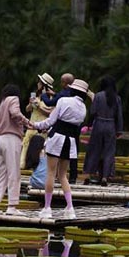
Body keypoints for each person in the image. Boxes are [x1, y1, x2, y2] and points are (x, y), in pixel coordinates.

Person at [30, 79, 90, 219]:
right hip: (70, 142)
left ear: (73, 90)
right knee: (63, 175)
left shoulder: (63, 101)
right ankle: (70, 209)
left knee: (51, 173)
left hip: (57, 138)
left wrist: (35, 125)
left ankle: (47, 208)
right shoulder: (83, 108)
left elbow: (50, 121)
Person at [0, 84, 31, 215]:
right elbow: (15, 113)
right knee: (14, 173)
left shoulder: (1, 102)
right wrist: (27, 122)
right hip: (10, 138)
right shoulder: (13, 99)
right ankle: (12, 206)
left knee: (2, 174)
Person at [83, 76, 123, 185]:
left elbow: (93, 112)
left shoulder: (98, 96)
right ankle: (105, 176)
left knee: (94, 150)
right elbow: (119, 116)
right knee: (109, 152)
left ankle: (88, 174)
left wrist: (88, 125)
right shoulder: (117, 98)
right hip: (110, 126)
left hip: (98, 125)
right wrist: (119, 130)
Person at [21, 72, 54, 169]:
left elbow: (51, 113)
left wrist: (38, 106)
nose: (37, 84)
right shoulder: (36, 95)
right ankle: (24, 165)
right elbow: (27, 110)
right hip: (32, 123)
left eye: (39, 82)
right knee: (26, 144)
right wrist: (31, 103)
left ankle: (37, 168)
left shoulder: (52, 97)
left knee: (39, 147)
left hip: (42, 125)